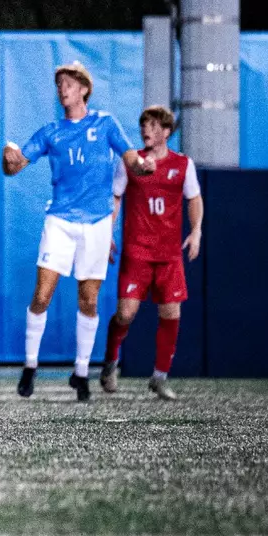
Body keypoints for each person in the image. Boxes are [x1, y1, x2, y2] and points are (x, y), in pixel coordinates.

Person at [2, 60, 153, 401]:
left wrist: (144, 168)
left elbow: (132, 161)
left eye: (69, 83)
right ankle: (30, 367)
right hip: (60, 220)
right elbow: (14, 167)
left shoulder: (106, 124)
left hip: (98, 222)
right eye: (59, 84)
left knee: (89, 300)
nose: (63, 88)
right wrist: (7, 156)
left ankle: (82, 372)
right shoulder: (51, 131)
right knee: (42, 295)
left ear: (84, 88)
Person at [99, 105, 204, 400]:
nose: (147, 130)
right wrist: (107, 233)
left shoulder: (183, 165)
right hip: (137, 252)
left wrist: (195, 231)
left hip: (169, 255)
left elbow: (194, 198)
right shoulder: (132, 163)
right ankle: (110, 363)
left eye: (154, 126)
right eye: (144, 125)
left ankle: (159, 377)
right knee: (125, 314)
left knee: (171, 313)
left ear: (167, 131)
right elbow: (115, 198)